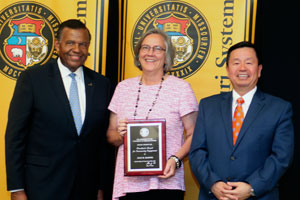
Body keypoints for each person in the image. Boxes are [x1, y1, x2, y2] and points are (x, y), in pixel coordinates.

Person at [5, 19, 111, 200]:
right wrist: (16, 188)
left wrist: (101, 187)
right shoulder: (32, 79)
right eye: (70, 43)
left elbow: (102, 142)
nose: (77, 49)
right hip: (42, 185)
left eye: (83, 44)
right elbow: (15, 136)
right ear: (57, 45)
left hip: (86, 187)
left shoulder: (102, 84)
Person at [189, 41, 294, 200]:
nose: (242, 68)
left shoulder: (279, 109)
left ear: (259, 70)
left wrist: (252, 187)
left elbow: (281, 156)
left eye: (249, 62)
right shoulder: (207, 105)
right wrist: (213, 183)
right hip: (214, 196)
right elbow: (197, 152)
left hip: (259, 196)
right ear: (227, 70)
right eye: (236, 63)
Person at [106, 29, 198, 200]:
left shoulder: (181, 88)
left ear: (167, 55)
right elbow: (111, 135)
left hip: (166, 182)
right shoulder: (123, 88)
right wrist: (121, 134)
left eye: (157, 49)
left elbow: (194, 133)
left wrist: (175, 160)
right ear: (138, 53)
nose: (150, 53)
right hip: (127, 185)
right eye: (145, 47)